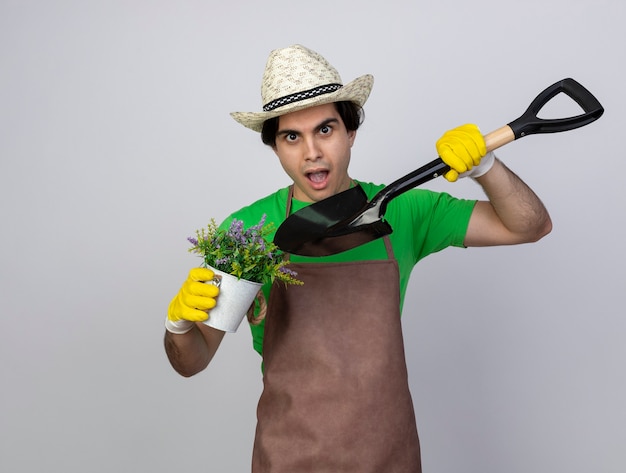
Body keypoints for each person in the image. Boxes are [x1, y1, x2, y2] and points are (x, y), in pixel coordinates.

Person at [163, 45, 552, 473]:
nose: (311, 151)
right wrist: (179, 327)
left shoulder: (404, 211)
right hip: (288, 456)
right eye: (292, 136)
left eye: (325, 130)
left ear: (350, 132)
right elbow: (193, 361)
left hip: (388, 455)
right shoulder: (248, 232)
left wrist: (486, 166)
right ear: (275, 147)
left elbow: (528, 226)